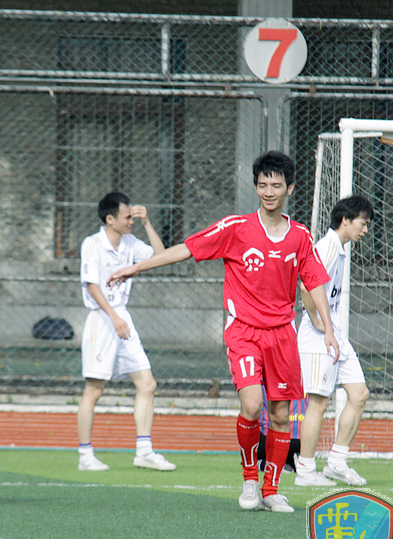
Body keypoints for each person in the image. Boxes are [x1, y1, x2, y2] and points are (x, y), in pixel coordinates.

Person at [107, 151, 339, 512]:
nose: (269, 191)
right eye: (262, 185)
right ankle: (249, 480)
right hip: (243, 331)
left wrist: (329, 330)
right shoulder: (235, 228)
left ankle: (271, 490)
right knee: (252, 404)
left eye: (276, 185)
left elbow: (314, 282)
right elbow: (186, 249)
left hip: (282, 334)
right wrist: (136, 268)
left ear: (290, 188)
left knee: (281, 415)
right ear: (256, 187)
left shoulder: (300, 236)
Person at [78, 192, 176, 472]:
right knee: (94, 390)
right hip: (102, 320)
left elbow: (162, 256)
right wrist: (113, 317)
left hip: (123, 319)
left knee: (147, 384)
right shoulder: (93, 244)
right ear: (110, 219)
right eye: (127, 217)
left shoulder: (131, 242)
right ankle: (85, 455)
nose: (131, 221)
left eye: (132, 216)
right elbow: (92, 286)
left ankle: (144, 451)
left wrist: (147, 223)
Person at [295, 195, 374, 488]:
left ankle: (337, 463)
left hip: (336, 335)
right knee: (318, 403)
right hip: (319, 339)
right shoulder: (327, 247)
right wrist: (317, 320)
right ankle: (305, 470)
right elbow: (306, 285)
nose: (365, 230)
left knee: (359, 394)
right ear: (345, 220)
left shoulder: (339, 249)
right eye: (362, 223)